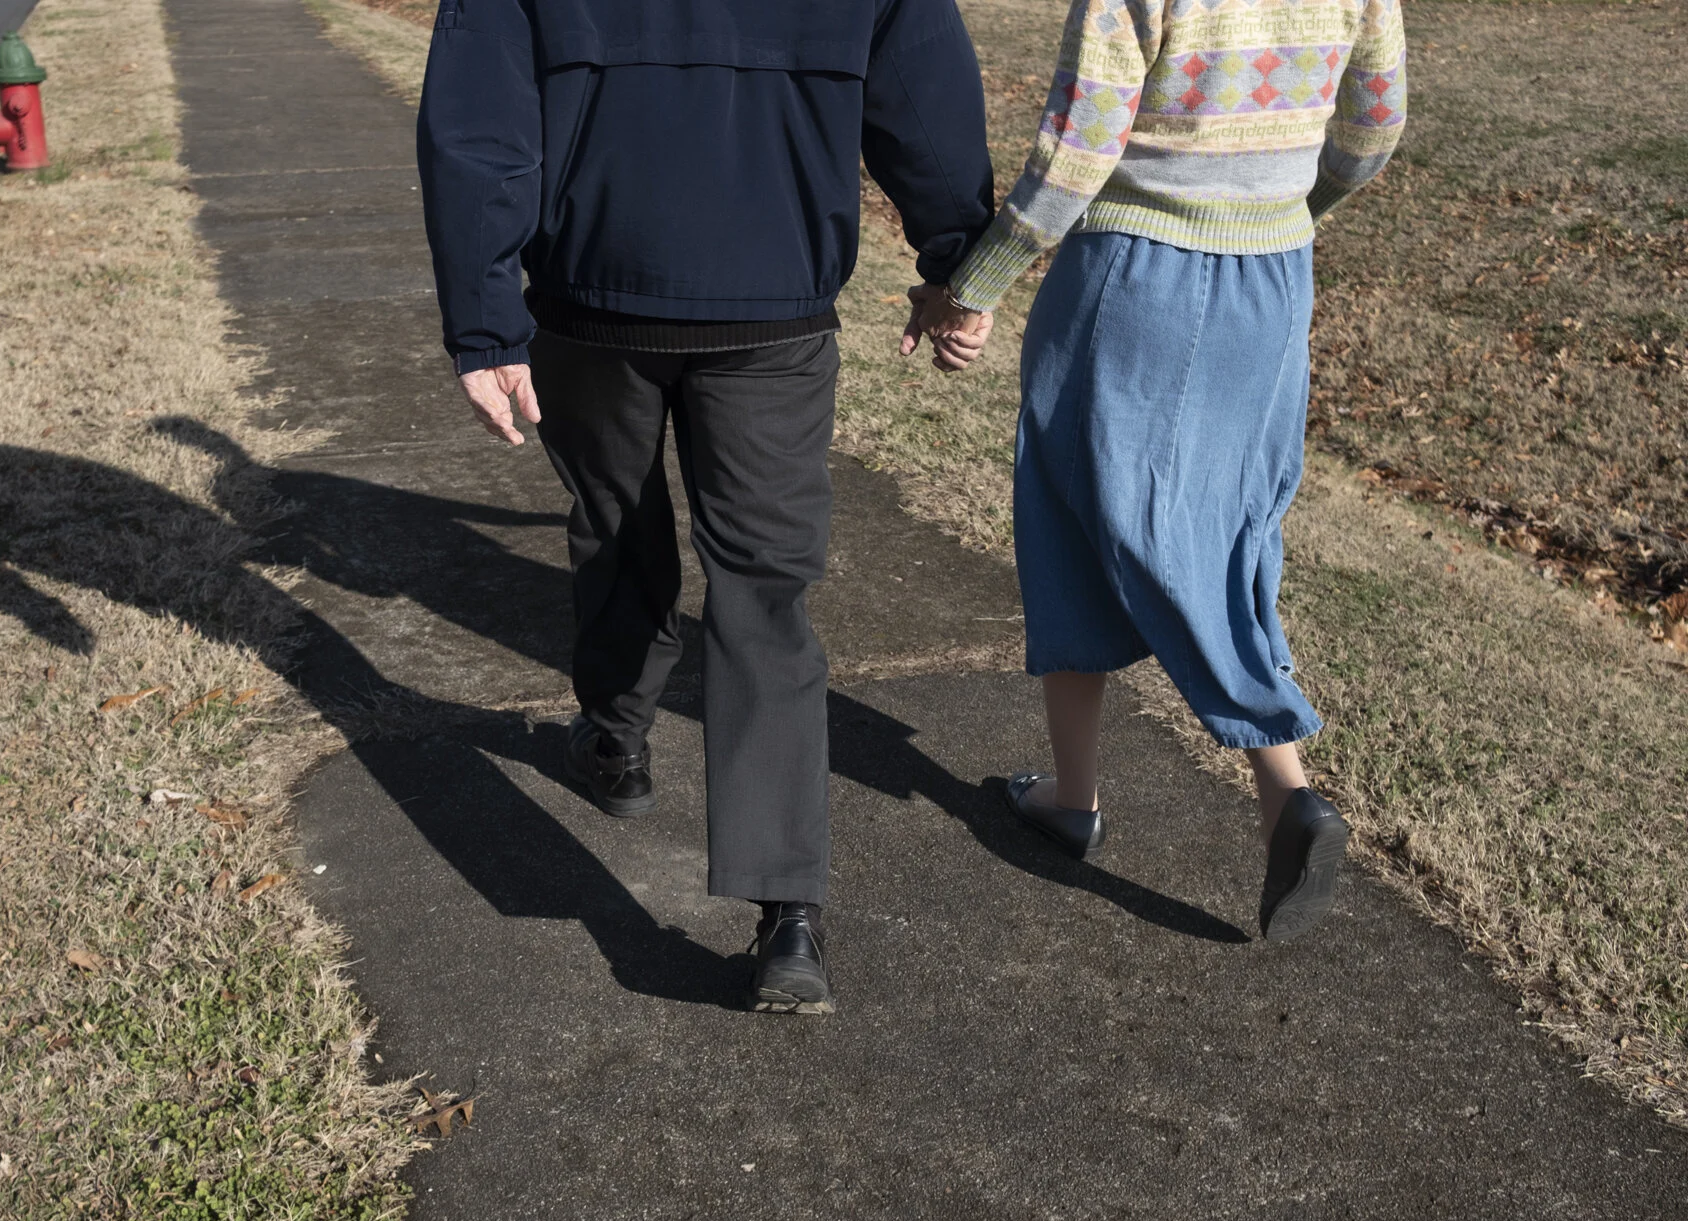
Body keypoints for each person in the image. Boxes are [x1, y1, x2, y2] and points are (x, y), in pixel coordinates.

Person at [416, 0, 995, 1012]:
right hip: (769, 304)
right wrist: (956, 262)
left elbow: (480, 120)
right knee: (763, 591)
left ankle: (613, 734)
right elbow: (925, 101)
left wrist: (483, 322)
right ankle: (786, 913)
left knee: (613, 519)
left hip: (596, 294)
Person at [905, 0, 1407, 939]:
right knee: (1226, 522)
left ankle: (1267, 779)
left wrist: (977, 284)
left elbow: (1079, 143)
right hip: (1274, 279)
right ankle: (1096, 794)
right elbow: (1376, 123)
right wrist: (1300, 210)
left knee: (1070, 508)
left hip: (1138, 271)